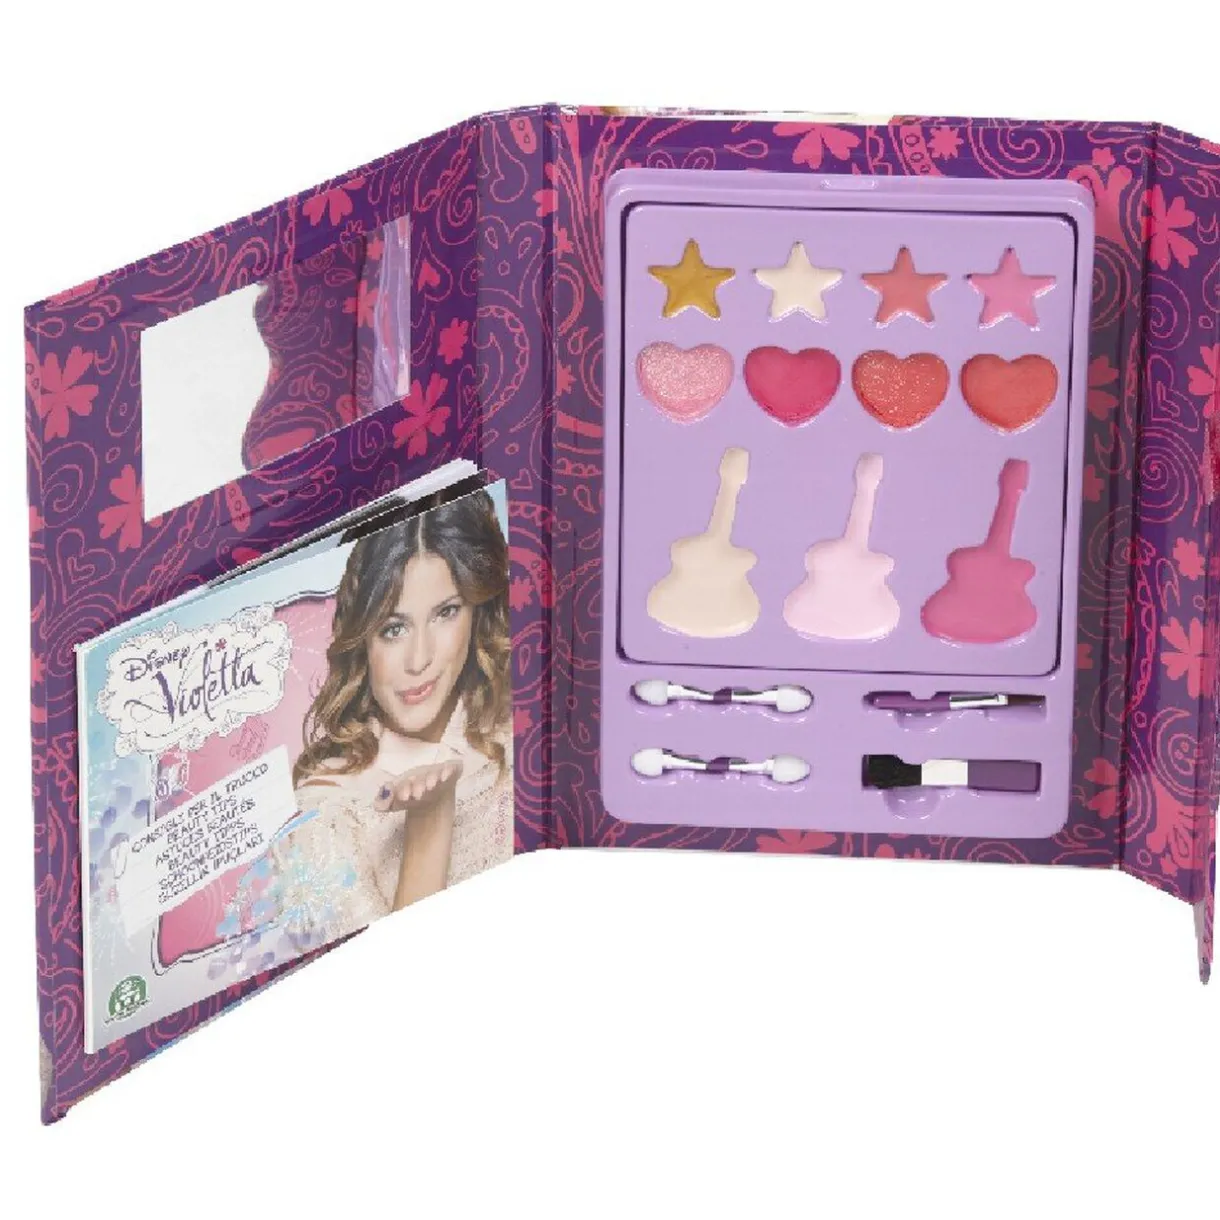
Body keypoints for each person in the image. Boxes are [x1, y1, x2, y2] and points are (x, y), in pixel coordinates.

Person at [270, 489, 513, 947]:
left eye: (446, 613)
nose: (419, 659)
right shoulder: (324, 816)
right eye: (393, 628)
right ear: (361, 638)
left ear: (477, 610)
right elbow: (395, 982)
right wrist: (429, 824)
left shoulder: (516, 721)